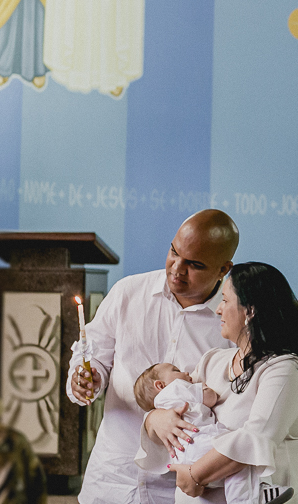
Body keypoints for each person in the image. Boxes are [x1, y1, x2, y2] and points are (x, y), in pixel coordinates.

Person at [67, 210, 238, 504]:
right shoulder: (129, 292)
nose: (177, 268)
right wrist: (86, 377)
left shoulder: (231, 321)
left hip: (184, 482)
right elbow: (91, 351)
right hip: (114, 471)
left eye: (194, 264)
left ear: (223, 269)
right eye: (174, 252)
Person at [139, 263, 298, 504]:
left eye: (225, 300)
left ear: (250, 311)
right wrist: (154, 419)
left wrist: (194, 475)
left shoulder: (287, 369)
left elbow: (254, 439)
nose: (217, 310)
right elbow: (175, 401)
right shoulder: (212, 360)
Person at [133, 363, 270, 504]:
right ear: (160, 385)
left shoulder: (160, 407)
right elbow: (210, 398)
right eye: (176, 370)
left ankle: (244, 497)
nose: (186, 373)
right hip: (197, 442)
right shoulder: (176, 388)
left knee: (229, 472)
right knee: (237, 451)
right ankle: (246, 499)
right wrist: (204, 387)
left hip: (183, 458)